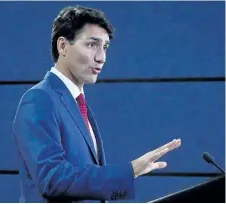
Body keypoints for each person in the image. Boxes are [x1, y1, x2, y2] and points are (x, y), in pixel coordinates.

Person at [12, 5, 181, 202]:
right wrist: (129, 171)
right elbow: (53, 179)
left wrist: (123, 183)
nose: (101, 58)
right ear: (63, 46)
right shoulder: (39, 100)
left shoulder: (78, 103)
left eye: (105, 47)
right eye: (92, 45)